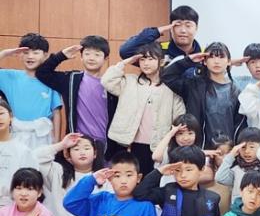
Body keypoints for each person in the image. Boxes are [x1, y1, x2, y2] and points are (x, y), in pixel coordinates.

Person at [101, 44, 185, 175]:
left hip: (158, 145)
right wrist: (124, 63)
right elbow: (107, 81)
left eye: (151, 59)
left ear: (161, 61)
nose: (146, 63)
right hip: (129, 142)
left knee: (152, 180)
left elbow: (179, 115)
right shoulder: (130, 81)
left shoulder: (170, 87)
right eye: (142, 59)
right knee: (129, 179)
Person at [35, 35, 117, 156]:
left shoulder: (113, 84)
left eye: (97, 54)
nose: (91, 58)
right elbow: (42, 73)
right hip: (78, 143)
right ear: (81, 57)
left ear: (106, 58)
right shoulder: (71, 80)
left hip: (106, 145)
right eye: (87, 54)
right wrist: (61, 56)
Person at [161, 43, 247, 149]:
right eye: (211, 57)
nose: (216, 61)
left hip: (227, 150)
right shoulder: (194, 86)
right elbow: (167, 76)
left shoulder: (236, 91)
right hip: (199, 149)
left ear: (229, 61)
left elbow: (240, 125)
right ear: (205, 61)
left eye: (221, 57)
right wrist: (189, 60)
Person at [0, 33, 63, 148]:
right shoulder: (10, 77)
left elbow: (56, 112)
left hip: (43, 136)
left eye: (35, 53)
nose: (30, 56)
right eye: (26, 53)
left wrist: (57, 142)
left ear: (45, 55)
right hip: (16, 135)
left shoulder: (50, 80)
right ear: (20, 55)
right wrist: (4, 53)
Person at [119, 5, 203, 64]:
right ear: (171, 28)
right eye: (177, 25)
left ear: (196, 28)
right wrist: (157, 31)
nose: (183, 30)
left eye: (188, 26)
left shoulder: (204, 54)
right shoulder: (158, 50)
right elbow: (126, 52)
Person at [0, 100, 38, 207]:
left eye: (1, 113)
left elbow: (32, 183)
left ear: (11, 117)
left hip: (13, 207)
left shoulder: (23, 150)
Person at [214, 127, 260, 201]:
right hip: (238, 207)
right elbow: (219, 178)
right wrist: (231, 155)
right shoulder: (236, 170)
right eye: (243, 147)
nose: (247, 151)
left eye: (252, 147)